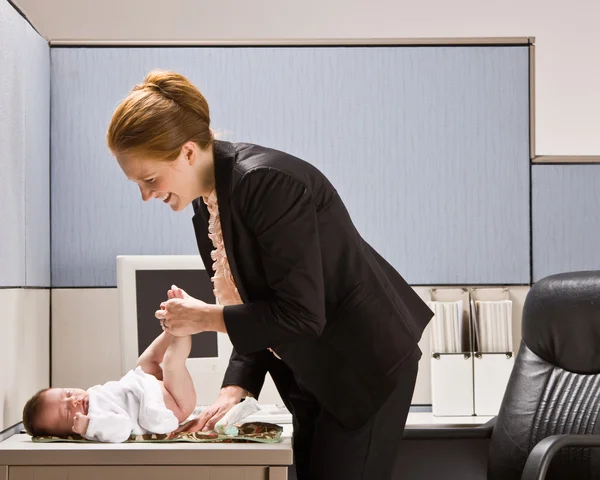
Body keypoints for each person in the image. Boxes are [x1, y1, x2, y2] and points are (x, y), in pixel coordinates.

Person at [106, 70, 433, 479]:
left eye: (149, 179)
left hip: (361, 365)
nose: (145, 195)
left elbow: (300, 313)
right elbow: (255, 303)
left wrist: (202, 318)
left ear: (188, 153)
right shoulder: (207, 204)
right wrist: (237, 384)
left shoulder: (266, 183)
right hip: (313, 370)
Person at [22, 319, 196, 442]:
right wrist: (89, 426)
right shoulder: (96, 423)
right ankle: (183, 329)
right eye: (67, 411)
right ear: (73, 429)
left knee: (144, 362)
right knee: (172, 364)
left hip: (149, 390)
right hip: (173, 406)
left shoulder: (92, 397)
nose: (72, 400)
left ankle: (171, 327)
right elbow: (122, 427)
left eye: (67, 393)